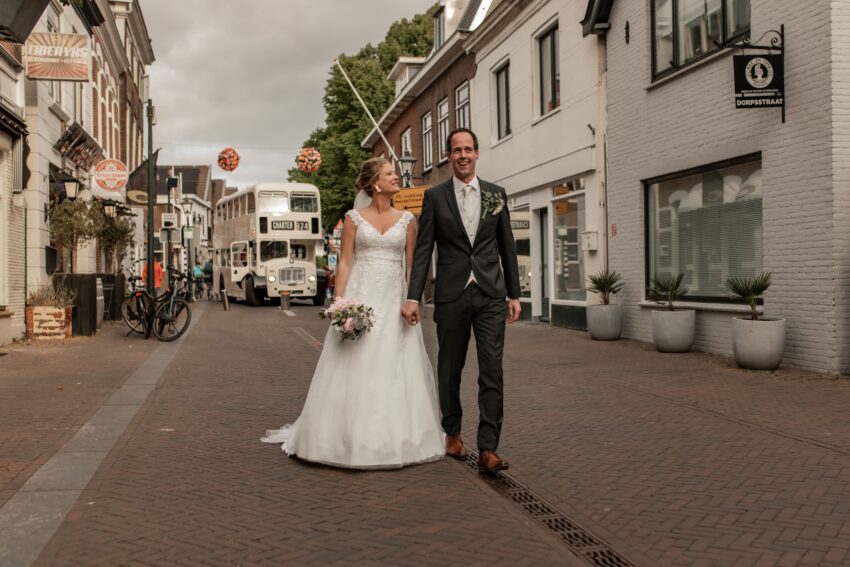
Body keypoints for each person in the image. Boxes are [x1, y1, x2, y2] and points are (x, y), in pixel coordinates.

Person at [262, 157, 445, 469]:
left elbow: (415, 266)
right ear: (375, 183)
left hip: (394, 299)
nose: (396, 178)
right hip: (362, 297)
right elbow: (345, 262)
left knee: (395, 364)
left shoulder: (408, 221)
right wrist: (339, 303)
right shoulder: (353, 219)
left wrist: (414, 300)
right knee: (354, 361)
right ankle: (342, 437)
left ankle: (399, 437)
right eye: (390, 174)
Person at [402, 128, 521, 473]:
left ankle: (488, 448)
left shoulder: (496, 194)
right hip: (451, 294)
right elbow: (423, 250)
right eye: (456, 150)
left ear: (477, 154)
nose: (463, 155)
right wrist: (413, 296)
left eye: (468, 149)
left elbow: (507, 246)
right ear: (449, 156)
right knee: (449, 368)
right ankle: (452, 432)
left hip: (490, 294)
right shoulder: (436, 197)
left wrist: (514, 293)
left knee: (492, 370)